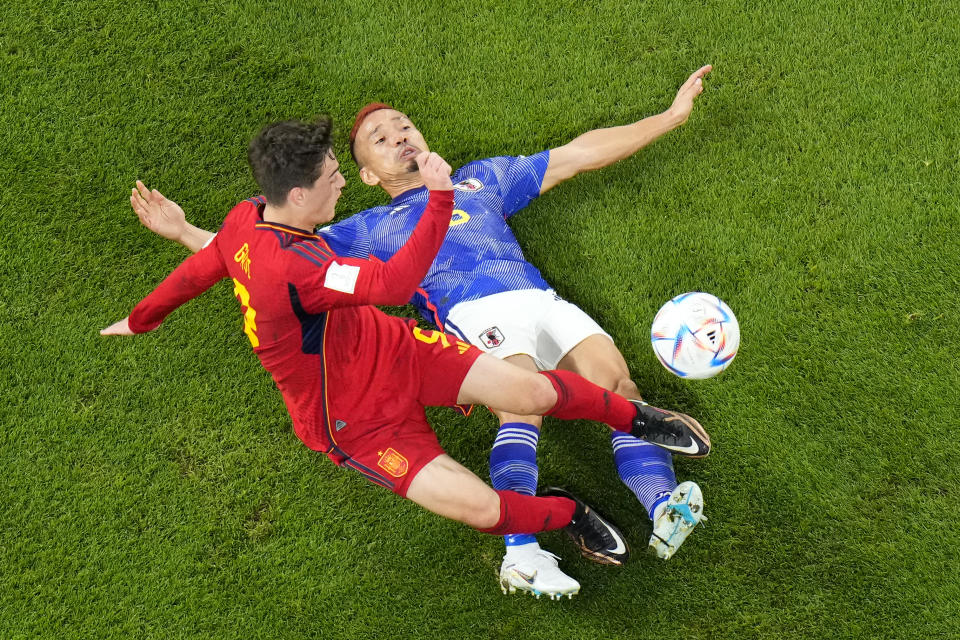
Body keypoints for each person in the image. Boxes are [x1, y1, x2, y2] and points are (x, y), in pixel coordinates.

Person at [130, 65, 713, 599]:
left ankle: (663, 506)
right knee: (522, 402)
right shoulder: (362, 230)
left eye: (402, 126)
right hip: (476, 317)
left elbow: (576, 155)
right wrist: (186, 233)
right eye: (379, 140)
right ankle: (523, 550)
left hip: (542, 298)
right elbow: (259, 259)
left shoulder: (482, 181)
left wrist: (669, 117)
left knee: (617, 381)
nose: (398, 137)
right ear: (364, 173)